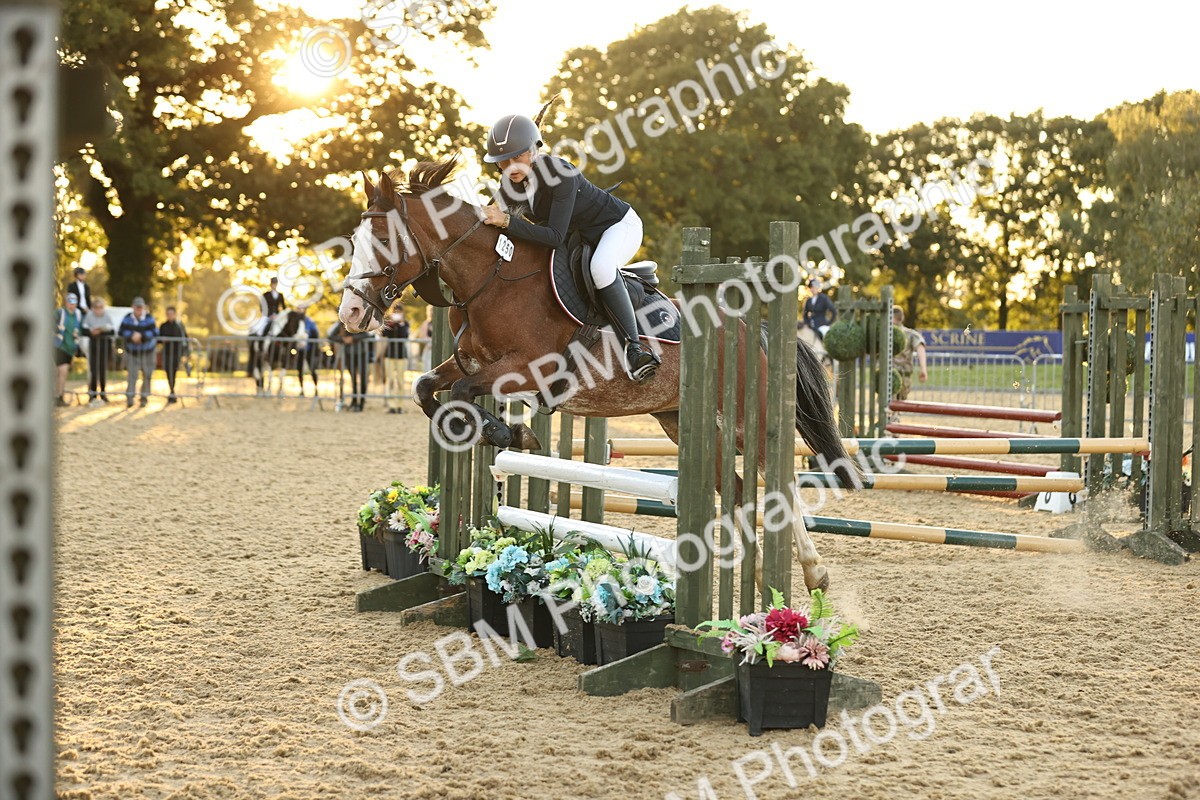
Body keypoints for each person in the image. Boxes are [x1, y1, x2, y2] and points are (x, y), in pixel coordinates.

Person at [479, 113, 661, 383]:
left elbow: (553, 236)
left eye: (517, 157)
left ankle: (635, 350)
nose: (510, 167)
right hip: (579, 237)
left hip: (617, 227)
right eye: (503, 162)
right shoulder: (510, 184)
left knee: (600, 268)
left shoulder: (560, 173)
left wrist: (505, 220)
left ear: (533, 151)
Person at [118, 297, 157, 408]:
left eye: (141, 307)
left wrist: (142, 336)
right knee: (132, 375)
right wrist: (131, 336)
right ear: (133, 307)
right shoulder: (127, 318)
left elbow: (154, 332)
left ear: (143, 307)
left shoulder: (149, 318)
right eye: (137, 307)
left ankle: (144, 397)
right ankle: (130, 397)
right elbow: (121, 331)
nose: (139, 309)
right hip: (132, 352)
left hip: (147, 352)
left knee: (147, 374)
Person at [331, 320, 372, 411]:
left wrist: (353, 339)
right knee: (353, 379)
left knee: (363, 379)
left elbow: (366, 334)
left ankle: (361, 402)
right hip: (349, 354)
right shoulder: (342, 323)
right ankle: (354, 401)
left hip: (361, 354)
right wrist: (343, 340)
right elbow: (331, 336)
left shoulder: (362, 321)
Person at [891, 305, 928, 404]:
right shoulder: (910, 334)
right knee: (898, 404)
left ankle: (890, 418)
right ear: (902, 318)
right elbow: (920, 347)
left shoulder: (885, 333)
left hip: (888, 374)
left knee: (888, 404)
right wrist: (923, 368)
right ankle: (894, 418)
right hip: (904, 376)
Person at [82, 296, 115, 404]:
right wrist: (92, 333)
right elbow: (84, 330)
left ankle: (103, 393)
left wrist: (100, 331)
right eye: (96, 307)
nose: (98, 309)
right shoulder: (89, 316)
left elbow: (112, 331)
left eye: (101, 307)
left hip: (105, 348)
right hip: (94, 347)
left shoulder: (107, 317)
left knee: (102, 371)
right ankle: (93, 395)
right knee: (94, 371)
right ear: (93, 308)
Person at [53, 292, 83, 407]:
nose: (72, 305)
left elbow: (79, 329)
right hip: (58, 346)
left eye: (74, 303)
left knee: (62, 373)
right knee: (60, 372)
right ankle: (56, 396)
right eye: (70, 302)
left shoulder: (78, 315)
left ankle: (58, 396)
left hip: (70, 348)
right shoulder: (60, 312)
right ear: (66, 303)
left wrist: (77, 336)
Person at [158, 306, 189, 403]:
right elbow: (159, 339)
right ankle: (171, 391)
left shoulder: (179, 326)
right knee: (168, 371)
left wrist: (186, 352)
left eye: (171, 314)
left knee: (174, 372)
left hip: (176, 353)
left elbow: (185, 339)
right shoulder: (163, 326)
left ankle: (172, 391)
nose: (170, 316)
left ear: (175, 314)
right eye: (168, 314)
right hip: (167, 353)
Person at [382, 309, 409, 414]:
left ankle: (400, 404)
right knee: (390, 380)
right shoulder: (389, 324)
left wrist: (401, 323)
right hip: (389, 355)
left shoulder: (405, 324)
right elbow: (384, 333)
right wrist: (390, 323)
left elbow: (404, 335)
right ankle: (391, 404)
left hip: (401, 356)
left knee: (400, 380)